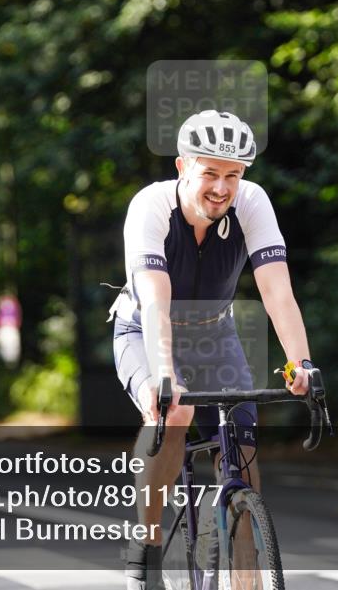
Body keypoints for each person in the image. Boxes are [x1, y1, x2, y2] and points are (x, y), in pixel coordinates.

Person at [110, 110, 314, 590]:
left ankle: (244, 573)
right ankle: (144, 547)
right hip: (144, 329)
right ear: (182, 167)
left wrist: (301, 362)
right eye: (210, 173)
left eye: (233, 176)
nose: (222, 188)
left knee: (242, 453)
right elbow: (156, 302)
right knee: (171, 415)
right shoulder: (151, 206)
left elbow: (277, 292)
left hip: (212, 334)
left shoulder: (253, 204)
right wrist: (166, 378)